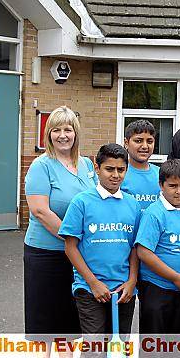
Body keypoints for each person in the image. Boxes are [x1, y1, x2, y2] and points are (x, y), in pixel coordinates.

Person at [24, 106, 97, 356]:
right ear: (48, 134)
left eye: (68, 129)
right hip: (47, 254)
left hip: (75, 256)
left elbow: (96, 202)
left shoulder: (87, 164)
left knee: (68, 322)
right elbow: (40, 211)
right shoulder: (41, 165)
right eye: (56, 130)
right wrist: (73, 240)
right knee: (44, 325)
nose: (63, 135)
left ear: (76, 133)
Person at [59, 144, 140, 341]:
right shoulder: (81, 202)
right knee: (95, 347)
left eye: (121, 170)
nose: (115, 175)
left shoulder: (133, 204)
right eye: (109, 169)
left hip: (123, 291)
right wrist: (93, 283)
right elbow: (70, 248)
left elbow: (135, 249)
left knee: (119, 347)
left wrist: (131, 282)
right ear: (97, 168)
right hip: (89, 289)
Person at [134, 159, 180, 334]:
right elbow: (144, 252)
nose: (179, 191)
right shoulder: (154, 213)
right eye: (173, 186)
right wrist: (174, 277)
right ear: (161, 185)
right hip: (158, 289)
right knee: (155, 345)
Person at [121, 120, 160, 210]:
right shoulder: (118, 174)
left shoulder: (161, 174)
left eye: (149, 141)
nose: (145, 146)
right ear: (126, 143)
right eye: (138, 141)